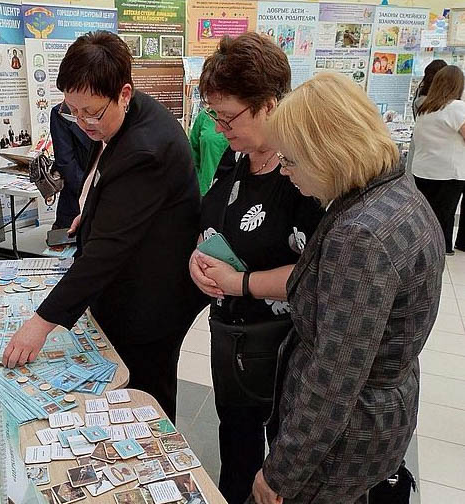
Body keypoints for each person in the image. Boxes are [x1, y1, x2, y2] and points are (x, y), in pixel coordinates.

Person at [251, 72, 444, 504]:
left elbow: (334, 377)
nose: (285, 172)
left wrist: (279, 472)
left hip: (340, 444)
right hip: (381, 415)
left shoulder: (360, 236)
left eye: (291, 160)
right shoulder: (397, 191)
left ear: (326, 153)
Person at [2, 31, 202, 420]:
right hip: (131, 278)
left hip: (151, 299)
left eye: (90, 113)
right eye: (72, 111)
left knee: (146, 399)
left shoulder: (146, 149)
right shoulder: (119, 115)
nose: (82, 123)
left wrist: (41, 323)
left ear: (124, 93)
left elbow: (106, 252)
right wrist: (93, 213)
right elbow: (106, 181)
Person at [188, 33, 324, 503]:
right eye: (214, 115)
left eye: (228, 117)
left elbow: (317, 274)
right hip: (233, 341)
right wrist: (198, 258)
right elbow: (211, 220)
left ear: (269, 104)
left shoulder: (303, 173)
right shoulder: (236, 156)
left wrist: (239, 282)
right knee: (236, 451)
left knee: (279, 467)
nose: (219, 127)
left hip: (283, 347)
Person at [411, 65, 465, 256]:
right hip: (449, 172)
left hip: (423, 169)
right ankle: (439, 251)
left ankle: (430, 248)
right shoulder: (456, 107)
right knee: (444, 214)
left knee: (428, 214)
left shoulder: (425, 108)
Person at [50, 102, 96, 229]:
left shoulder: (111, 110)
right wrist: (90, 193)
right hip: (77, 193)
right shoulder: (61, 112)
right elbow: (65, 161)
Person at [189, 108, 229, 195]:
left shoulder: (243, 115)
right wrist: (198, 183)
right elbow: (193, 154)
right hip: (206, 190)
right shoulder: (204, 116)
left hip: (234, 190)